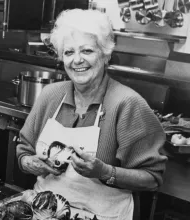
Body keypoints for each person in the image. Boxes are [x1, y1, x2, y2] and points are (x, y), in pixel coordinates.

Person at [17, 9, 167, 220]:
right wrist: (30, 163)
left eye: (87, 51)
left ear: (105, 55)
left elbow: (152, 178)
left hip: (103, 215)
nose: (77, 60)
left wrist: (105, 172)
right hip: (44, 211)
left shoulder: (127, 104)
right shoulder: (51, 95)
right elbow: (23, 150)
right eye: (69, 52)